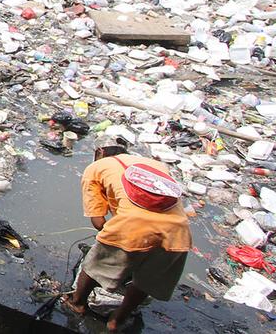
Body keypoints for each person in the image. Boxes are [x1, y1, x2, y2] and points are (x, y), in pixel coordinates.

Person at [63, 136, 191, 331]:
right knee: (145, 280)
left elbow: (98, 221)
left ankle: (77, 302)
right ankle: (117, 321)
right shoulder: (154, 165)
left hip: (131, 226)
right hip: (178, 233)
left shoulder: (96, 168)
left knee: (95, 264)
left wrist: (113, 239)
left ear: (100, 152)